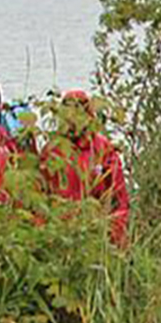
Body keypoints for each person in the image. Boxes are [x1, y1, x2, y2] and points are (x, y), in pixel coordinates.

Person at [42, 91, 131, 245]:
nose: (73, 119)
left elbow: (119, 200)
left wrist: (114, 238)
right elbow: (40, 199)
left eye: (78, 112)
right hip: (59, 236)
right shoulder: (51, 151)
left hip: (95, 236)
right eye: (68, 112)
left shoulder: (103, 149)